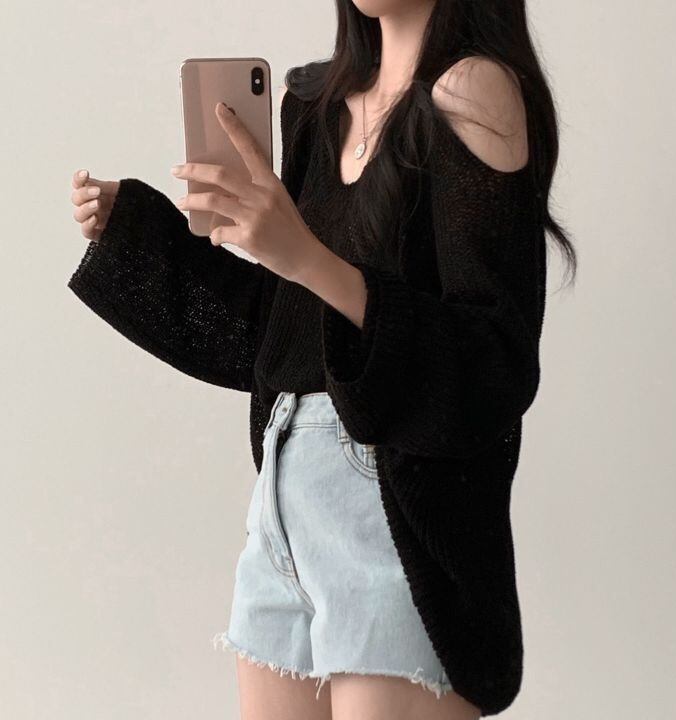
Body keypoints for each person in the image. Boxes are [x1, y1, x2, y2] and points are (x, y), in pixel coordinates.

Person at [67, 1, 576, 718]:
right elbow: (284, 340)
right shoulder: (316, 105)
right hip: (283, 499)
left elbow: (492, 366)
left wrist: (306, 257)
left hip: (393, 511)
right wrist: (137, 230)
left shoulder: (473, 90)